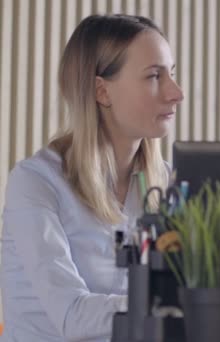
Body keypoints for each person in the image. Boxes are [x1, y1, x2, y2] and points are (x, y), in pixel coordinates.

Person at [0, 14, 184, 341]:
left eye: (171, 74)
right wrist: (172, 306)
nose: (176, 92)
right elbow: (71, 316)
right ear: (102, 91)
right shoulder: (35, 183)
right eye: (155, 76)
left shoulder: (168, 185)